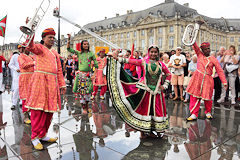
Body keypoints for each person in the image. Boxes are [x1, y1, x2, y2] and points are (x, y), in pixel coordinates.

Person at [111, 45, 171, 137]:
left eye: (155, 52)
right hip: (144, 91)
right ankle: (142, 132)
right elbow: (129, 61)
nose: (153, 54)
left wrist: (165, 85)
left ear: (158, 53)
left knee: (154, 112)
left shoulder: (161, 64)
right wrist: (116, 57)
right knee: (144, 112)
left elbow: (169, 74)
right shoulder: (143, 61)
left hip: (157, 93)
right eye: (152, 52)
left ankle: (154, 131)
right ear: (148, 52)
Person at [25, 28, 66, 150]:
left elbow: (59, 70)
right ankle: (34, 137)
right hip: (40, 80)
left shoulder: (55, 53)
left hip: (52, 82)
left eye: (54, 37)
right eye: (50, 37)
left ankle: (43, 135)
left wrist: (62, 84)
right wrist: (30, 32)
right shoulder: (39, 48)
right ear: (43, 38)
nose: (52, 39)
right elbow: (30, 46)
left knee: (49, 111)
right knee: (38, 110)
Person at [186, 42, 227, 121]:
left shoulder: (213, 59)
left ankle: (208, 112)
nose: (208, 50)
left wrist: (224, 82)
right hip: (197, 78)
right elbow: (195, 47)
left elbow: (219, 70)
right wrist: (193, 39)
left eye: (208, 48)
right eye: (205, 49)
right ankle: (194, 113)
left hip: (208, 79)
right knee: (194, 95)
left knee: (207, 97)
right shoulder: (199, 55)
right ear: (202, 50)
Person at [67, 34, 98, 107]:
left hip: (88, 75)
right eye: (84, 44)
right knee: (81, 92)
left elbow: (96, 65)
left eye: (87, 44)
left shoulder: (91, 54)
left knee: (87, 91)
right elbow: (69, 49)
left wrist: (94, 75)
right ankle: (83, 106)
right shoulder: (79, 53)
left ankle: (86, 105)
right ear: (82, 45)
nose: (86, 45)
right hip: (80, 75)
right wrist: (69, 39)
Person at [18, 44, 34, 124]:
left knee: (33, 96)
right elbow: (24, 65)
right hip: (25, 78)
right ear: (24, 49)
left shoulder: (31, 56)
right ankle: (26, 116)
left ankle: (33, 114)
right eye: (28, 48)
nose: (29, 50)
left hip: (32, 77)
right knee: (25, 97)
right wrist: (33, 63)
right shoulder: (21, 56)